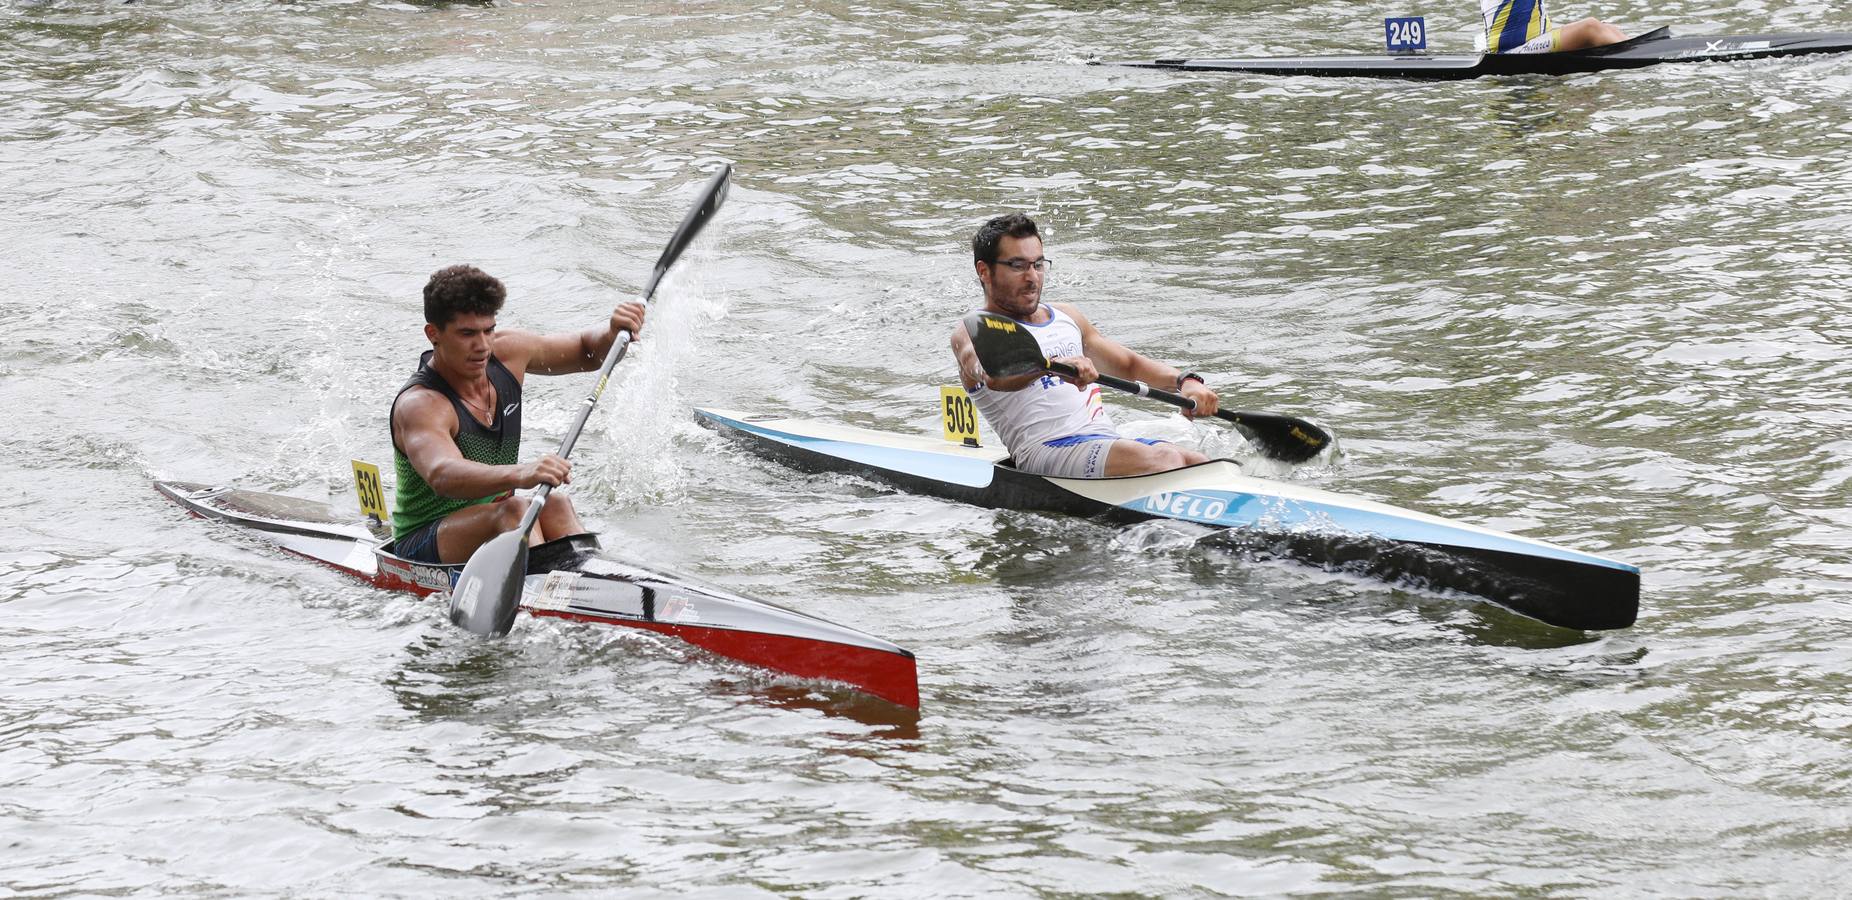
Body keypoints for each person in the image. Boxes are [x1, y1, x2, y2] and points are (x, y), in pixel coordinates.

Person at [389, 264, 645, 563]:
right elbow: (442, 474)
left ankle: (597, 583)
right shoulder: (422, 404)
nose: (482, 345)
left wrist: (613, 330)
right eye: (467, 333)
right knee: (516, 509)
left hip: (497, 520)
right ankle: (548, 595)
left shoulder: (508, 352)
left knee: (556, 503)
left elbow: (587, 351)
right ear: (434, 334)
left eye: (489, 330)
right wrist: (523, 472)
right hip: (422, 541)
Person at [948, 213, 1221, 479]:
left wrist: (1185, 380)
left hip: (1101, 440)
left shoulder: (1068, 316)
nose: (1032, 277)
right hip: (1043, 451)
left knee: (1200, 464)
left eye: (1038, 264)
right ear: (984, 271)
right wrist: (1051, 368)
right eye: (1018, 266)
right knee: (1167, 461)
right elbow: (992, 375)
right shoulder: (972, 331)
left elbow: (1129, 365)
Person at [1481, 0, 1625, 54]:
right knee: (1590, 28)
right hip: (1510, 51)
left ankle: (1633, 49)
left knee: (1607, 27)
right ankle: (1637, 54)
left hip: (1532, 41)